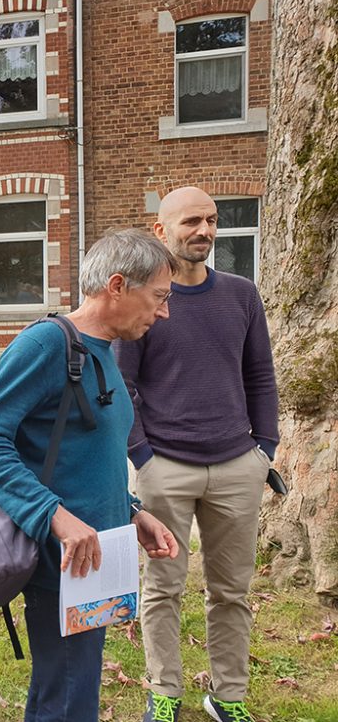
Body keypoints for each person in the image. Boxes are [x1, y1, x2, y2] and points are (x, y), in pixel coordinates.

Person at [0, 229, 181, 722]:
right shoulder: (46, 344)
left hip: (99, 555)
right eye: (160, 297)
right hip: (61, 559)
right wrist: (55, 517)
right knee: (65, 694)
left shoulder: (103, 350)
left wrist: (133, 513)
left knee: (74, 687)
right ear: (118, 285)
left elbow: (83, 455)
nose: (164, 312)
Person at [114, 187, 279, 722]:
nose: (205, 231)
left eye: (212, 220)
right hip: (166, 468)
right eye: (191, 221)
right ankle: (164, 691)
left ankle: (228, 697)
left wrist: (265, 449)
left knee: (232, 590)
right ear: (161, 231)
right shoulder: (145, 299)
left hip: (237, 465)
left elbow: (259, 375)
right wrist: (143, 457)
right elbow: (123, 382)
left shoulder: (241, 294)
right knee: (163, 589)